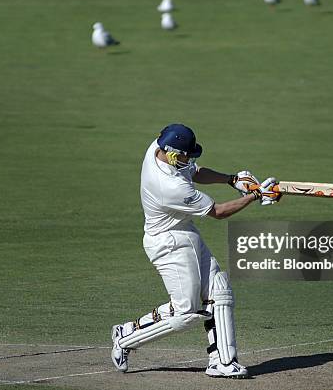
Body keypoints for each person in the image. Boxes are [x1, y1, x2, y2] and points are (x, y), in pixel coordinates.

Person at [111, 123, 280, 378]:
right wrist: (255, 196)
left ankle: (222, 362)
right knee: (185, 313)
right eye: (184, 155)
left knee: (219, 290)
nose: (188, 159)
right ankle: (125, 337)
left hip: (184, 231)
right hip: (167, 244)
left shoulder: (158, 149)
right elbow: (219, 213)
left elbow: (195, 171)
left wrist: (232, 180)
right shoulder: (170, 187)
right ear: (169, 153)